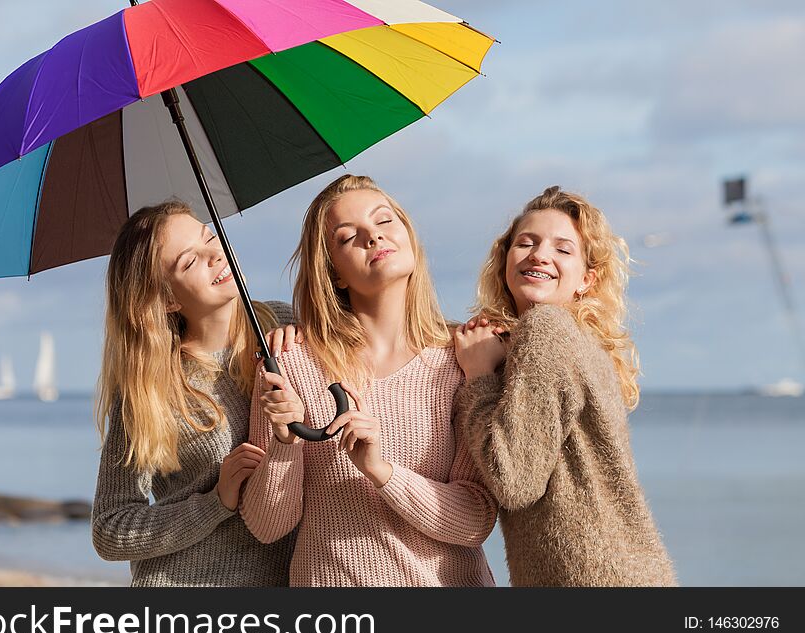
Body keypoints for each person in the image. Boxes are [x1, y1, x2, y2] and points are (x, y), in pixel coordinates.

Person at [240, 174, 497, 587]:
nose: (373, 237)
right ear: (334, 273)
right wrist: (285, 444)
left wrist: (382, 471)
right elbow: (267, 526)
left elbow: (475, 518)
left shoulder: (464, 359)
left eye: (384, 221)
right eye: (348, 238)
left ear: (408, 234)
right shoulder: (291, 362)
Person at [453, 185, 677, 586]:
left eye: (562, 249)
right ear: (505, 259)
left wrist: (479, 379)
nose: (540, 254)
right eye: (527, 242)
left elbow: (515, 481)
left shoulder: (548, 328)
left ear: (586, 280)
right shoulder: (574, 339)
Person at [91, 200, 296, 586]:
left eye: (210, 238)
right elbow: (109, 529)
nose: (215, 255)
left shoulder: (284, 324)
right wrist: (214, 502)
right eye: (189, 261)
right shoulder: (151, 388)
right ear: (168, 300)